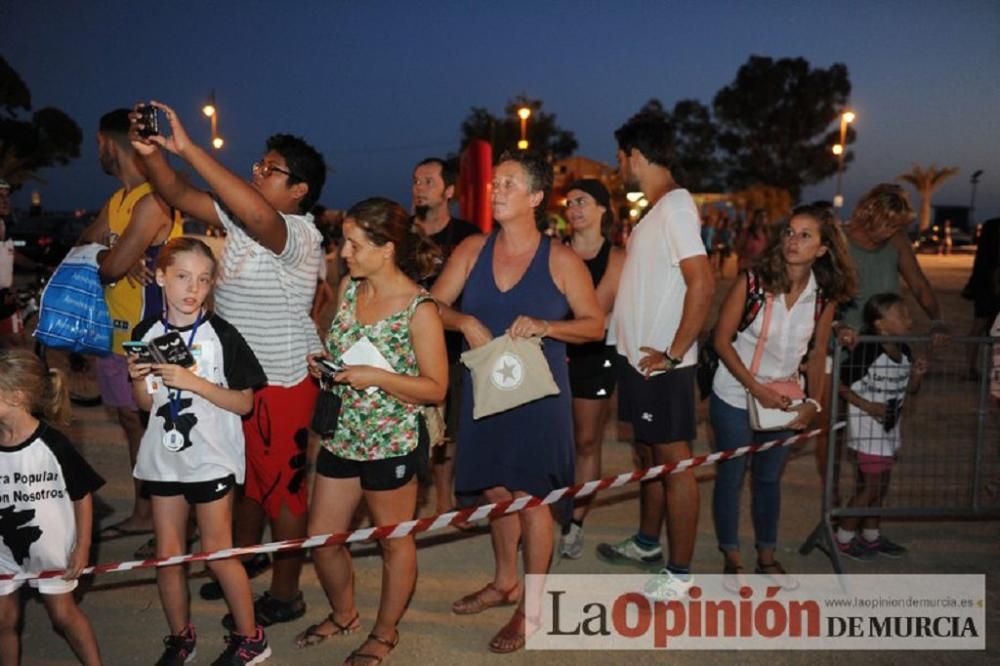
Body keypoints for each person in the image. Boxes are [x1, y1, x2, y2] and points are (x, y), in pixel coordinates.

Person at [131, 101, 326, 628]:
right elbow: (174, 192)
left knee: (283, 491)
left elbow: (261, 216)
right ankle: (237, 565)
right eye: (258, 164)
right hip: (237, 379)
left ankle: (286, 593)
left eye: (270, 168)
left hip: (282, 383)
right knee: (244, 483)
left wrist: (190, 147)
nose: (257, 171)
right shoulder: (238, 223)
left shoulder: (299, 233)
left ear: (299, 189)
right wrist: (150, 153)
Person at [431, 152, 603, 653]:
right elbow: (433, 306)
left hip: (539, 400)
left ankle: (532, 606)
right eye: (494, 182)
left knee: (533, 500)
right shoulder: (471, 250)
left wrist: (549, 326)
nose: (496, 189)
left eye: (510, 183)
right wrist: (462, 321)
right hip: (487, 394)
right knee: (494, 490)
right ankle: (504, 580)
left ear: (534, 197)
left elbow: (595, 324)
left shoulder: (561, 259)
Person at [296, 198, 447, 664]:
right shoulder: (348, 289)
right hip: (343, 433)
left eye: (355, 244)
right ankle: (345, 614)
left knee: (392, 540)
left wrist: (377, 377)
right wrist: (325, 366)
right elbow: (338, 346)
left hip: (392, 441)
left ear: (387, 249)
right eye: (344, 241)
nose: (344, 252)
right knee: (322, 538)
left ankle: (385, 633)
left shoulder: (418, 309)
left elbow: (437, 387)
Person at [126, 238, 270, 665]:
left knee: (217, 552)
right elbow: (147, 405)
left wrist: (195, 382)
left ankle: (250, 637)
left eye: (204, 279)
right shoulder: (145, 333)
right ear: (161, 276)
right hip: (164, 458)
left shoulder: (222, 334)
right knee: (168, 555)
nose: (193, 288)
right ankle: (180, 638)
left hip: (211, 457)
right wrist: (138, 379)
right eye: (183, 277)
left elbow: (244, 402)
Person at [595, 113, 715, 601]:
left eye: (620, 157)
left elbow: (702, 281)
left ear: (636, 157)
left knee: (674, 462)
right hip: (638, 361)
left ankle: (680, 574)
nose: (618, 165)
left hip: (660, 365)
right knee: (648, 455)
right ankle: (648, 543)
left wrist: (675, 351)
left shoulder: (677, 208)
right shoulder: (658, 209)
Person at [710, 205, 855, 586]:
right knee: (732, 475)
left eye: (806, 235)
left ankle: (766, 557)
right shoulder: (754, 281)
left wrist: (814, 404)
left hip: (784, 398)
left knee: (769, 479)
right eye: (790, 232)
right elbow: (721, 341)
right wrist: (755, 388)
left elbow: (819, 352)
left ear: (823, 249)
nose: (793, 240)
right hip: (734, 392)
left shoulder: (823, 296)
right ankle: (732, 557)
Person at [78, 109, 183, 544]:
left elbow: (109, 265)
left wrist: (111, 255)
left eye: (98, 144)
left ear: (108, 142)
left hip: (153, 336)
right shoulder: (117, 201)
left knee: (159, 426)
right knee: (132, 424)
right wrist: (109, 253)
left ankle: (171, 522)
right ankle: (147, 513)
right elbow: (83, 244)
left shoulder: (151, 199)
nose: (96, 152)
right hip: (118, 336)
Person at [0, 350, 104, 666]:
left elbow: (82, 494)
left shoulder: (53, 445)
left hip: (51, 548)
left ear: (16, 398)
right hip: (4, 549)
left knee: (63, 615)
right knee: (3, 619)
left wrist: (82, 546)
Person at [557, 179, 624, 559]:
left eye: (582, 201)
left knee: (586, 440)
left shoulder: (616, 258)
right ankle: (549, 507)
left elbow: (591, 314)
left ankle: (576, 521)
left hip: (594, 355)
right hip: (552, 354)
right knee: (553, 439)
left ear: (602, 208)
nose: (573, 209)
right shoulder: (553, 252)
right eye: (569, 203)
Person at [411, 157, 480, 516]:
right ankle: (407, 498)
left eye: (428, 181)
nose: (419, 187)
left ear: (449, 191)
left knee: (448, 429)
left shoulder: (468, 237)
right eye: (416, 181)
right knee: (410, 425)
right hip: (406, 347)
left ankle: (443, 501)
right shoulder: (402, 234)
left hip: (453, 346)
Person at [836, 293, 927, 560]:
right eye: (901, 315)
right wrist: (867, 406)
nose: (908, 319)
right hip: (868, 430)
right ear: (880, 324)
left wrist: (917, 376)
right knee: (871, 487)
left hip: (888, 431)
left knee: (879, 485)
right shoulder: (867, 350)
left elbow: (910, 391)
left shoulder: (904, 350)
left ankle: (871, 536)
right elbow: (840, 385)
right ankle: (844, 537)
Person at [961, 217, 1000, 378]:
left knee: (978, 327)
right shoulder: (995, 228)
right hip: (991, 287)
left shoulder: (990, 226)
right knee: (988, 327)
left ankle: (970, 367)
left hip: (982, 284)